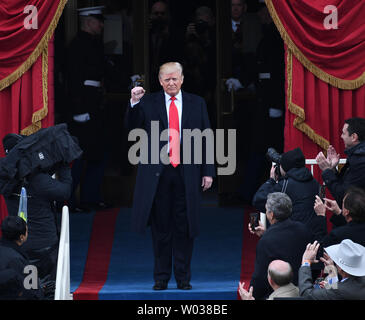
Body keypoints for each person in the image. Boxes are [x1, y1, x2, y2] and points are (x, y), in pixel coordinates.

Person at [125, 62, 215, 290]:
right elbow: (131, 128)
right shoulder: (148, 101)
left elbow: (206, 137)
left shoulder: (197, 102)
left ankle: (183, 278)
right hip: (159, 174)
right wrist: (134, 102)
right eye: (167, 79)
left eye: (175, 78)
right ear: (160, 81)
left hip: (188, 172)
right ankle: (161, 277)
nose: (171, 83)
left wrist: (208, 171)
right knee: (161, 228)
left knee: (185, 227)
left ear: (183, 79)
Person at [2, 133, 72, 299]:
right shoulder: (38, 180)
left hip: (19, 247)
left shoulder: (4, 179)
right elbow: (65, 192)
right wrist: (64, 166)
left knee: (27, 291)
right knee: (49, 291)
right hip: (45, 247)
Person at [66, 6, 110, 212]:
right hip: (83, 106)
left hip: (95, 105)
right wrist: (78, 109)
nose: (101, 24)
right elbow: (72, 80)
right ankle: (69, 200)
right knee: (79, 155)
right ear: (87, 21)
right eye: (97, 20)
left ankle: (90, 197)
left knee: (97, 152)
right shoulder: (76, 46)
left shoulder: (94, 44)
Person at [249, 192, 313, 299]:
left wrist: (252, 295)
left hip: (279, 293)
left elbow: (260, 277)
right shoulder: (303, 229)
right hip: (303, 287)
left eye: (267, 210)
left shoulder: (266, 240)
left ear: (272, 214)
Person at [252, 148, 323, 235]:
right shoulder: (315, 183)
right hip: (313, 237)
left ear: (285, 168)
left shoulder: (285, 185)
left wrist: (271, 181)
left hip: (292, 237)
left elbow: (258, 201)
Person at [316, 117, 365, 209]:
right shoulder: (357, 156)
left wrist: (327, 171)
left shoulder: (360, 160)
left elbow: (343, 195)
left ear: (354, 137)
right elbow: (344, 184)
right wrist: (333, 169)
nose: (341, 136)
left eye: (343, 133)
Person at [183, 6, 217, 127]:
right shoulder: (190, 40)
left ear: (213, 22)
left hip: (212, 90)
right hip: (191, 89)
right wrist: (187, 38)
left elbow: (215, 63)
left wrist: (207, 41)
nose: (202, 27)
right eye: (199, 23)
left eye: (205, 23)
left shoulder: (217, 38)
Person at [299, 239, 365, 299]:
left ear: (341, 269)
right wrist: (331, 271)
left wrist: (306, 262)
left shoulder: (340, 291)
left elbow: (306, 295)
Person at [0, 216, 43, 300]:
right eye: (27, 231)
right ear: (22, 237)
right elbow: (34, 294)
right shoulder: (20, 261)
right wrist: (42, 290)